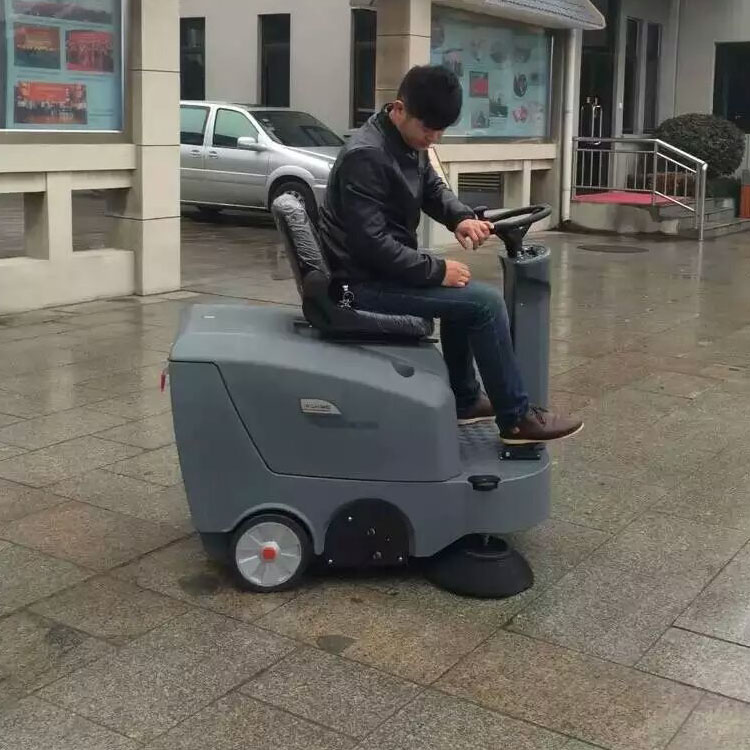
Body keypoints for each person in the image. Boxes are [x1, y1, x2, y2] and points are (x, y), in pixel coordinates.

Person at [318, 65, 583, 445]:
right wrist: (436, 270)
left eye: (441, 130)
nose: (434, 138)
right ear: (399, 109)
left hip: (375, 272)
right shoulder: (367, 156)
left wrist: (460, 217)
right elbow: (370, 244)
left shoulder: (405, 143)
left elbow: (431, 188)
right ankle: (517, 420)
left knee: (465, 293)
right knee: (485, 304)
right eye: (429, 129)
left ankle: (465, 399)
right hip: (355, 286)